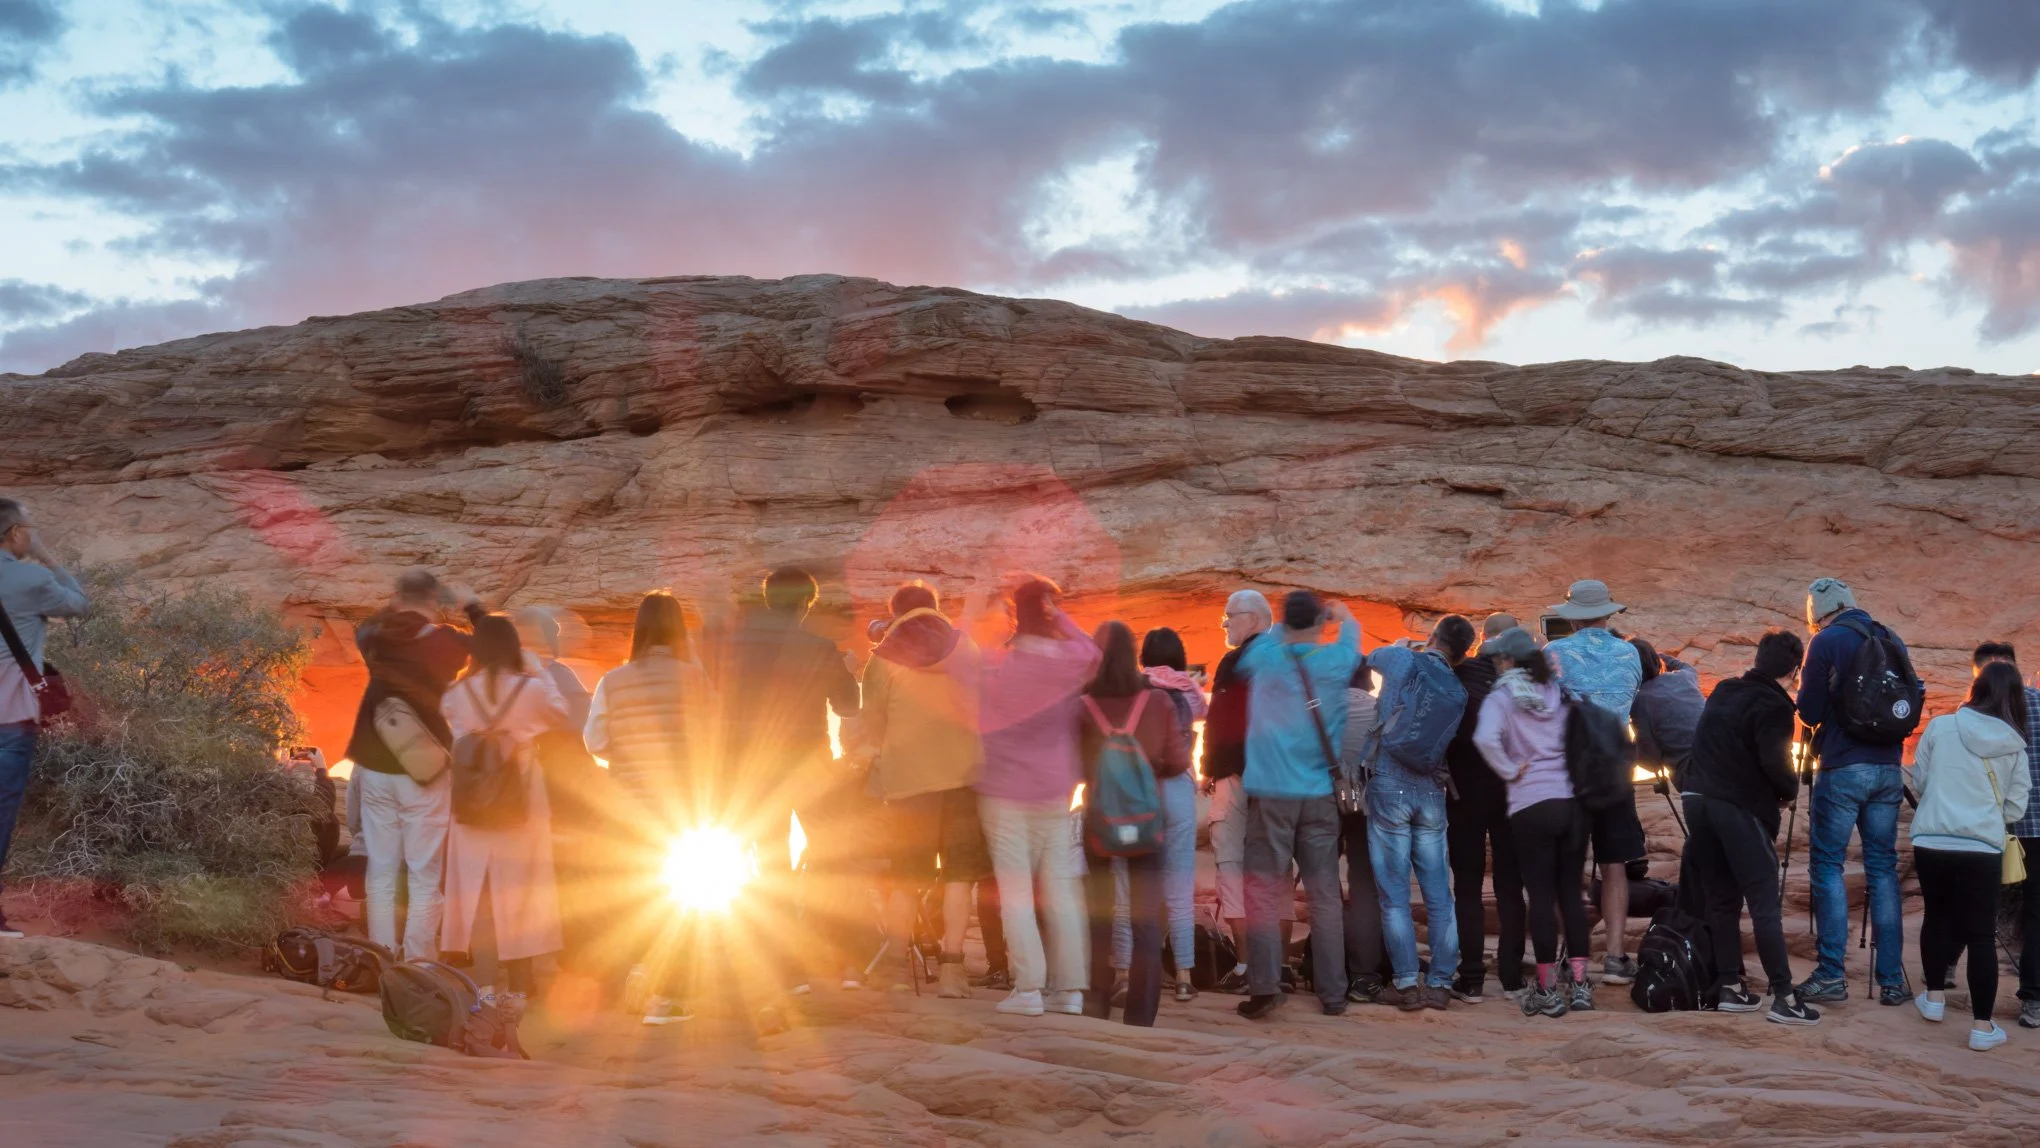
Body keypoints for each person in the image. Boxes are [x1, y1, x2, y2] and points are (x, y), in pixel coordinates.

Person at [710, 567, 861, 1002]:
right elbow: (849, 707)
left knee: (764, 863)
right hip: (807, 764)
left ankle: (762, 962)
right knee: (831, 859)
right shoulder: (818, 647)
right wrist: (847, 669)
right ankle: (831, 959)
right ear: (805, 604)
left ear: (767, 597)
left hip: (747, 767)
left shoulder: (730, 647)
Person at [582, 591, 717, 1025]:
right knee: (680, 897)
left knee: (639, 892)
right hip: (682, 802)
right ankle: (669, 997)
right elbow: (715, 736)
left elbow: (595, 741)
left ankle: (639, 971)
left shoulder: (613, 680)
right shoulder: (695, 678)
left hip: (629, 802)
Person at [1231, 590, 1361, 1019]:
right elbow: (1350, 639)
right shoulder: (1338, 660)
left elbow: (1257, 644)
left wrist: (1289, 625)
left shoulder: (1265, 659)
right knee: (1325, 894)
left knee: (1266, 891)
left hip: (1271, 795)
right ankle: (1333, 993)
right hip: (1320, 794)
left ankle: (1266, 987)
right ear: (1320, 622)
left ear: (1285, 622)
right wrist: (1339, 616)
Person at [1679, 630, 1820, 1025]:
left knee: (1722, 899)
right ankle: (1785, 997)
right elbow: (1776, 764)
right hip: (1736, 809)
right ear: (1796, 671)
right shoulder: (1775, 707)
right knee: (1763, 901)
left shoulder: (1724, 690)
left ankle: (1731, 988)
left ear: (1757, 660)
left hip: (1696, 800)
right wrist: (1789, 790)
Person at [976, 576, 1099, 1017]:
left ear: (1015, 614)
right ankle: (1069, 992)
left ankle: (1028, 989)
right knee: (1062, 891)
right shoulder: (1068, 660)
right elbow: (1093, 652)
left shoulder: (1000, 661)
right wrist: (1058, 613)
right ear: (1047, 609)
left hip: (1004, 791)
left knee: (1016, 893)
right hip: (1055, 791)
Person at [344, 568, 482, 961]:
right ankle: (419, 964)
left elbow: (369, 621)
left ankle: (382, 956)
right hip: (425, 769)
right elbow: (494, 647)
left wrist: (400, 600)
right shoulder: (444, 641)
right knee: (424, 873)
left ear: (398, 596)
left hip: (373, 763)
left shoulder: (374, 636)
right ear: (435, 601)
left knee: (382, 871)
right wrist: (470, 605)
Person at [860, 581, 987, 998]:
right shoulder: (965, 648)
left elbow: (872, 726)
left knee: (906, 875)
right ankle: (952, 971)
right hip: (964, 777)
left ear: (895, 615)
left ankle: (897, 966)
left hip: (908, 783)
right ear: (934, 610)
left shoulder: (882, 660)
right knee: (958, 875)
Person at [439, 615, 569, 1019]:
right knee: (522, 883)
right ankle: (522, 978)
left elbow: (451, 721)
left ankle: (482, 977)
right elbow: (560, 713)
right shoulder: (531, 688)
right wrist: (537, 670)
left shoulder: (458, 692)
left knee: (472, 886)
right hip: (520, 791)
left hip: (471, 792)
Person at [1795, 577, 1916, 1006]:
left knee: (1828, 866)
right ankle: (1892, 980)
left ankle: (1831, 974)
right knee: (1882, 870)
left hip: (1843, 766)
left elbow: (1808, 711)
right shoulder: (1889, 636)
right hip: (1888, 768)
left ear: (1818, 615)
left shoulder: (1825, 642)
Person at [1908, 662, 2030, 1052]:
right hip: (1981, 847)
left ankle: (1934, 1000)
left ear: (1975, 688)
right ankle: (1982, 1026)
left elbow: (1922, 782)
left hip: (1932, 839)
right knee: (1980, 934)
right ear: (2014, 697)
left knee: (1936, 917)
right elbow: (2014, 809)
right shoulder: (2014, 744)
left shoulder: (1942, 727)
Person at [1473, 627, 1594, 1018]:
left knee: (1540, 897)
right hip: (1572, 802)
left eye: (1497, 659)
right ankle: (1579, 985)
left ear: (1507, 661)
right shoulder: (1557, 690)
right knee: (1571, 897)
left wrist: (1510, 770)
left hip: (1531, 804)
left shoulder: (1502, 697)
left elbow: (1486, 739)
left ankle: (1546, 990)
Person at [1080, 621, 1190, 1026]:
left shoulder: (1084, 704)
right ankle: (1142, 1016)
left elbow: (1076, 766)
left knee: (1099, 917)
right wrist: (1151, 763)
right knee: (1145, 919)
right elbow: (1178, 762)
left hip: (1100, 823)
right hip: (1146, 822)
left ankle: (1096, 1004)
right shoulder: (1158, 702)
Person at [1362, 617, 1475, 1010]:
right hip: (1430, 791)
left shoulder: (1402, 660)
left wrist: (1400, 645)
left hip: (1389, 786)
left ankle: (1407, 984)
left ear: (1432, 638)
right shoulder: (1458, 689)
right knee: (1439, 896)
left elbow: (1369, 658)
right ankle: (1441, 984)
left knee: (1394, 897)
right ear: (1464, 654)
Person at [1544, 579, 1646, 985]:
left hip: (1568, 769)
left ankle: (1573, 957)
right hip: (1616, 768)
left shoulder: (1553, 652)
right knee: (1615, 864)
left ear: (1571, 617)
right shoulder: (1630, 652)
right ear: (1608, 613)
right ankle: (1617, 956)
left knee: (1566, 867)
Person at [0, 499, 88, 939]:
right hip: (10, 718)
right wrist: (48, 558)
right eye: (26, 530)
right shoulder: (32, 577)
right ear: (15, 533)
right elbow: (79, 604)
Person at [1200, 589, 1282, 993]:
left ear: (1253, 618)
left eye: (1230, 616)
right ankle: (1275, 966)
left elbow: (1220, 720)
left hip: (1237, 777)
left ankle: (1248, 965)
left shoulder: (1235, 662)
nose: (1226, 624)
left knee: (1231, 866)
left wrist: (1207, 768)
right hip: (1283, 780)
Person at [1443, 612, 1527, 1003]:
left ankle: (1472, 977)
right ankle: (1512, 978)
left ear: (1483, 639)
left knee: (1468, 885)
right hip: (1513, 793)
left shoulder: (1460, 673)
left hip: (1466, 793)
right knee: (1511, 886)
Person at [1137, 626, 1207, 1003]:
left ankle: (1126, 971)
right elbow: (1201, 716)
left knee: (1129, 887)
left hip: (1140, 790)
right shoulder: (1188, 690)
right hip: (1179, 789)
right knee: (1179, 889)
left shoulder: (1136, 687)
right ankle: (1183, 976)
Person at [1974, 643, 2040, 1029]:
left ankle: (1945, 971)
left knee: (1971, 900)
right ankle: (2032, 1000)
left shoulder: (1974, 712)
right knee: (2037, 912)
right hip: (2037, 825)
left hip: (1987, 824)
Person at [1339, 662, 1388, 1002]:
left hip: (1323, 803)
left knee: (1324, 890)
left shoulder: (1318, 709)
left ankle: (1328, 970)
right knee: (1365, 888)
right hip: (1367, 807)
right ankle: (1365, 974)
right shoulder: (1379, 709)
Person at [1630, 638, 1706, 792]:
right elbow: (1686, 666)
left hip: (1694, 778)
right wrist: (1655, 655)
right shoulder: (1685, 677)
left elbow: (1651, 762)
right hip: (1725, 756)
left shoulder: (1640, 702)